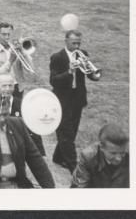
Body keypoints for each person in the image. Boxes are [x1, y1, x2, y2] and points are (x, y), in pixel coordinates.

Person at [50, 29, 101, 172]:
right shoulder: (57, 57)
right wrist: (69, 72)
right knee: (65, 132)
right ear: (66, 41)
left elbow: (89, 74)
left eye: (79, 43)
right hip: (62, 100)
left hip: (77, 99)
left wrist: (94, 75)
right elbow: (54, 81)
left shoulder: (83, 53)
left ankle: (58, 157)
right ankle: (75, 168)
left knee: (71, 132)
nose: (77, 47)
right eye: (74, 43)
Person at [0, 73, 45, 156]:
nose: (7, 89)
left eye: (10, 86)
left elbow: (34, 133)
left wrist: (41, 154)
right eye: (4, 86)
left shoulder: (24, 107)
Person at [71, 123, 129, 188]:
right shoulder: (88, 157)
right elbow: (79, 187)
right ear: (101, 147)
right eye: (113, 153)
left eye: (122, 153)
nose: (119, 158)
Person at [0, 22, 34, 100]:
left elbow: (30, 69)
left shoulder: (16, 48)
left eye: (9, 34)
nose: (7, 37)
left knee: (16, 111)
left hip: (17, 87)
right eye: (4, 34)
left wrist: (24, 53)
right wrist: (10, 61)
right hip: (0, 88)